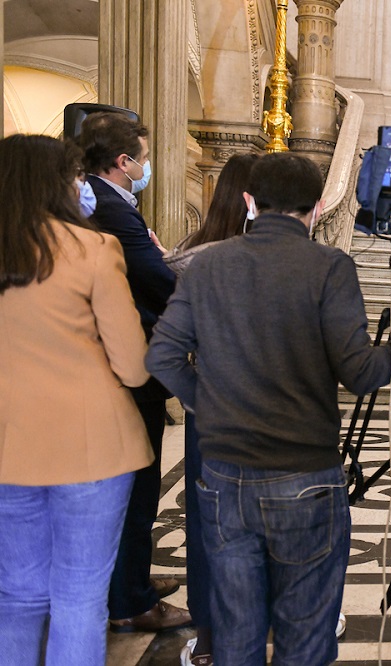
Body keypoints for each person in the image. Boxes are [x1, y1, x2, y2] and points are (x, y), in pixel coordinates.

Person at [146, 152, 391, 665]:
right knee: (305, 639)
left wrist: (213, 406)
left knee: (236, 636)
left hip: (224, 477)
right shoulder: (329, 266)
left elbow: (162, 355)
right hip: (305, 476)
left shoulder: (209, 264)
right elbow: (361, 373)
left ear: (249, 201)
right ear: (315, 208)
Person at [0, 134, 153, 664]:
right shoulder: (93, 249)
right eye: (76, 178)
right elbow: (133, 366)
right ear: (60, 183)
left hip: (7, 448)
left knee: (17, 596)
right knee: (80, 598)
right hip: (92, 447)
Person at [76, 110, 191, 632]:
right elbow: (147, 272)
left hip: (116, 359)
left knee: (135, 482)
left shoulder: (106, 203)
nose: (146, 168)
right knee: (138, 482)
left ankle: (134, 578)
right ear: (124, 163)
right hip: (127, 362)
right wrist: (192, 302)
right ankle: (131, 599)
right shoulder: (108, 207)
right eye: (143, 159)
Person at [164, 152, 259, 666]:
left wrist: (198, 398)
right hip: (264, 414)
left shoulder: (189, 254)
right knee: (260, 523)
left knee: (208, 522)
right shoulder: (262, 258)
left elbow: (166, 351)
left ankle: (210, 636)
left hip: (210, 414)